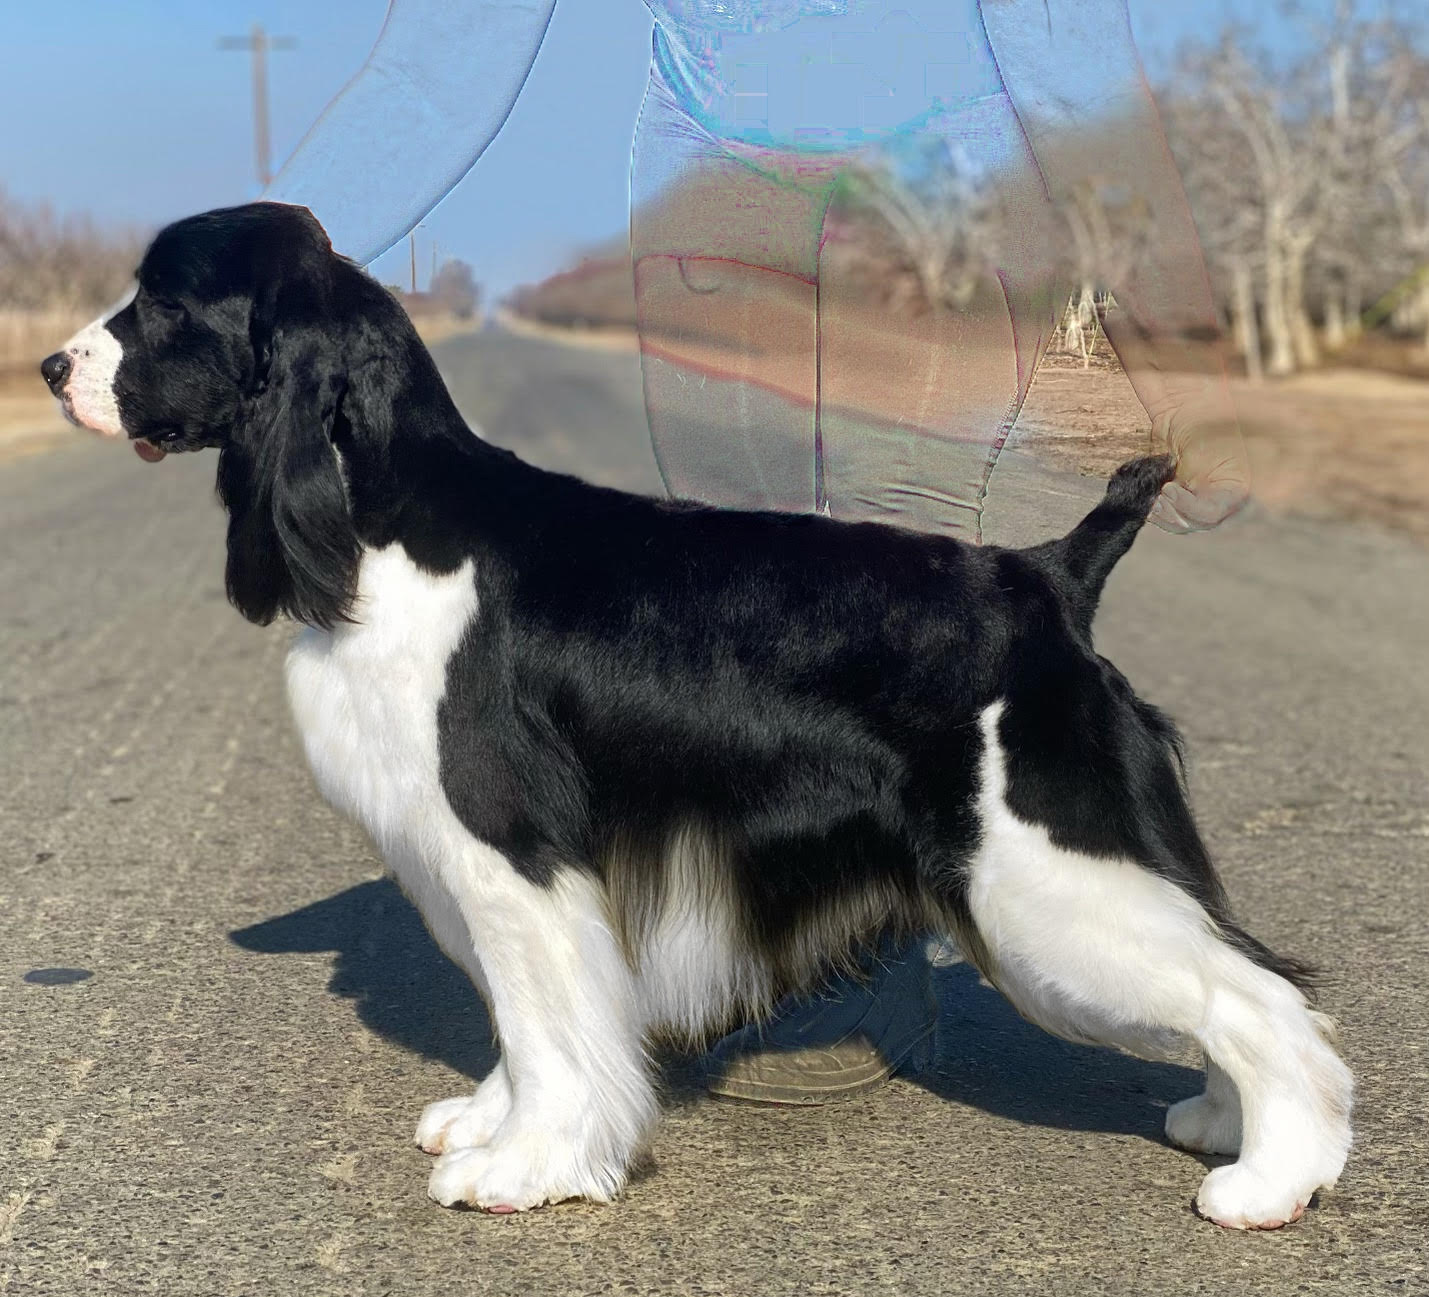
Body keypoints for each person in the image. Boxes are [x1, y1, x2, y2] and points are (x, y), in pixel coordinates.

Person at [267, 0, 1251, 1104]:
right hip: (717, 184)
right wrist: (231, 304)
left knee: (922, 621)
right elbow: (445, 55)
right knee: (730, 626)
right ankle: (795, 956)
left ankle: (887, 936)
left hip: (945, 189)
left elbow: (1059, 31)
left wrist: (1178, 339)